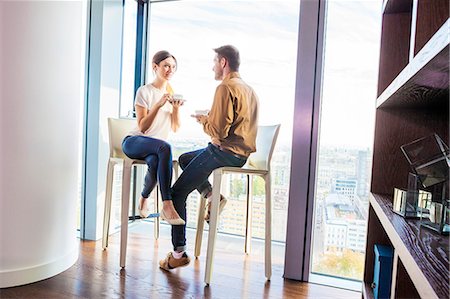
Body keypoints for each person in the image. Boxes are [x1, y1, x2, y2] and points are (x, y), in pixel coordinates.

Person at [159, 45, 259, 270]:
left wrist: (205, 121)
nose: (212, 66)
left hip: (224, 152)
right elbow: (236, 124)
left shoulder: (225, 87)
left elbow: (219, 133)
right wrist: (212, 119)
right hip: (240, 155)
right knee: (185, 159)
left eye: (214, 62)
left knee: (177, 192)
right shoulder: (249, 89)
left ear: (223, 62)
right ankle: (213, 195)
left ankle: (178, 254)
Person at [122, 50, 185, 225]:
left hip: (155, 149)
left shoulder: (172, 94)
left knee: (156, 161)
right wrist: (158, 105)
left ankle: (143, 198)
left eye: (173, 67)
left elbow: (175, 127)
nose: (169, 70)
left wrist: (176, 108)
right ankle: (167, 205)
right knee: (165, 147)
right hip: (134, 142)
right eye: (166, 66)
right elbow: (143, 127)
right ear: (155, 67)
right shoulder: (145, 91)